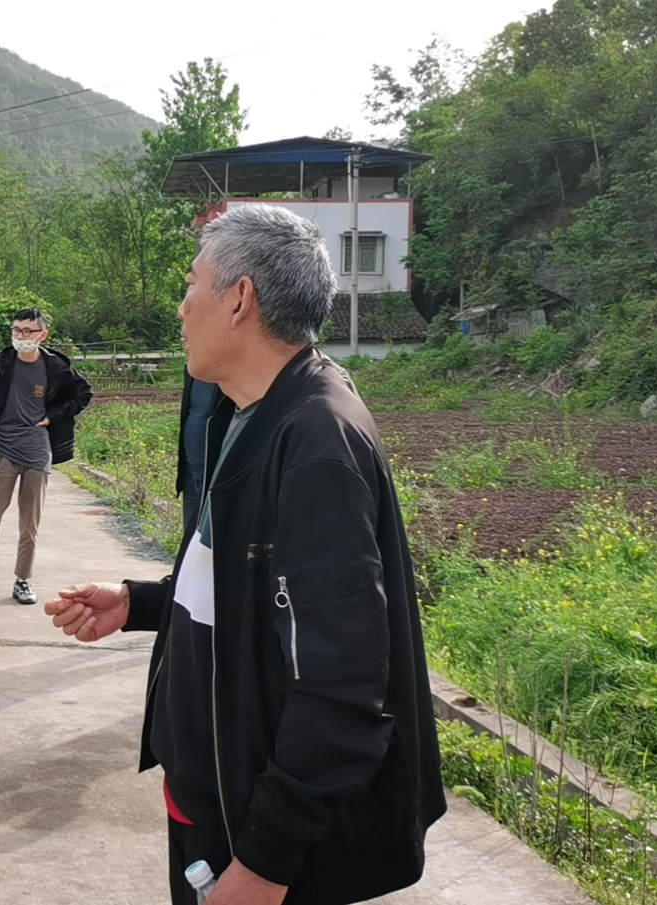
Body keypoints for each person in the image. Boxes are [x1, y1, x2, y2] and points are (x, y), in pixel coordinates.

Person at [43, 204, 444, 905]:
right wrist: (137, 601)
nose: (180, 306)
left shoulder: (315, 439)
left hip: (254, 835)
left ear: (240, 298)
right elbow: (241, 583)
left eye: (191, 284)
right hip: (210, 796)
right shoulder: (247, 411)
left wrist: (266, 861)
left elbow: (345, 680)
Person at [0, 307, 93, 606]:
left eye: (28, 331)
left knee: (29, 523)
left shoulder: (55, 366)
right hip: (1, 448)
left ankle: (23, 580)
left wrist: (53, 415)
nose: (22, 336)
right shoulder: (1, 363)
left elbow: (82, 393)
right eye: (17, 330)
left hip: (36, 452)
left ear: (43, 335)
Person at [177, 372, 222, 541]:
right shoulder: (195, 368)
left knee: (210, 541)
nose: (185, 343)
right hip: (190, 468)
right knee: (190, 538)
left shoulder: (233, 368)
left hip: (216, 471)